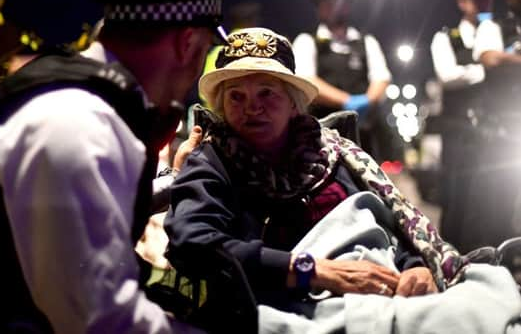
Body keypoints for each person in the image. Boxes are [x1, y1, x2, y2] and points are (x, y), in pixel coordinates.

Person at [0, 0, 232, 333]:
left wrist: (176, 180)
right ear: (188, 45)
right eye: (204, 53)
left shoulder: (76, 99)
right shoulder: (77, 119)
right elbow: (99, 319)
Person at [163, 27, 520, 333]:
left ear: (293, 104)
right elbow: (192, 243)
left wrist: (416, 268)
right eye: (236, 97)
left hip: (385, 282)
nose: (251, 107)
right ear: (223, 108)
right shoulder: (213, 160)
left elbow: (390, 223)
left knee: (486, 296)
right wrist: (310, 271)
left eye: (266, 94)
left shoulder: (335, 151)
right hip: (298, 304)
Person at [292, 0, 392, 160]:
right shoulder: (307, 41)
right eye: (327, 1)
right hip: (321, 135)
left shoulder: (366, 41)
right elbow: (306, 79)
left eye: (339, 0)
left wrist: (367, 101)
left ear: (348, 4)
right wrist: (347, 101)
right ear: (319, 7)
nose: (334, 6)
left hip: (362, 133)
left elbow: (381, 77)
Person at [429, 0, 494, 249]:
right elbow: (447, 74)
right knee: (457, 198)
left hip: (494, 131)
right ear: (461, 1)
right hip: (459, 131)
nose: (482, 2)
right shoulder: (446, 38)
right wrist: (487, 68)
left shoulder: (499, 33)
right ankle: (453, 260)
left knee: (491, 200)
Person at [468, 0, 521, 253]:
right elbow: (490, 58)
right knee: (496, 203)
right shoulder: (493, 26)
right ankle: (496, 262)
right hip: (502, 128)